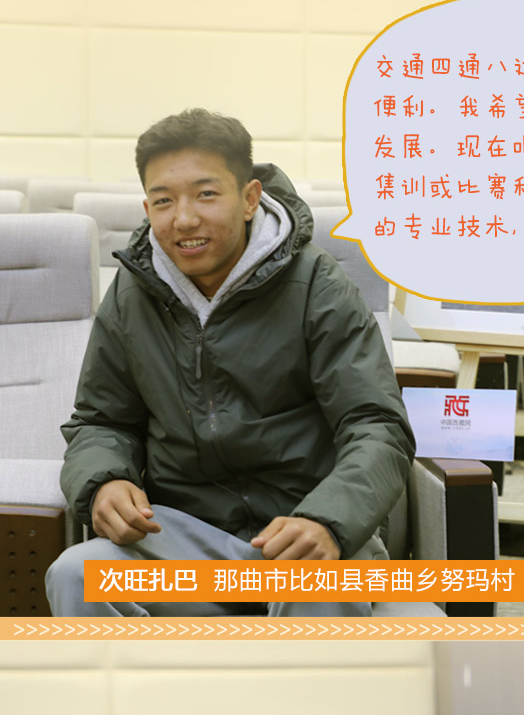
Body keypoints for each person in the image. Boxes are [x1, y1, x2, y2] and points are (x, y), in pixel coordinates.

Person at [44, 106, 415, 612]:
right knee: (77, 575)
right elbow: (102, 421)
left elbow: (376, 425)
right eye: (164, 200)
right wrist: (104, 481)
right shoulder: (132, 295)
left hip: (305, 526)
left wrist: (328, 520)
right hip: (184, 534)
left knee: (316, 591)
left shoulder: (317, 285)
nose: (184, 219)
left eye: (206, 194)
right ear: (147, 207)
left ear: (249, 198)